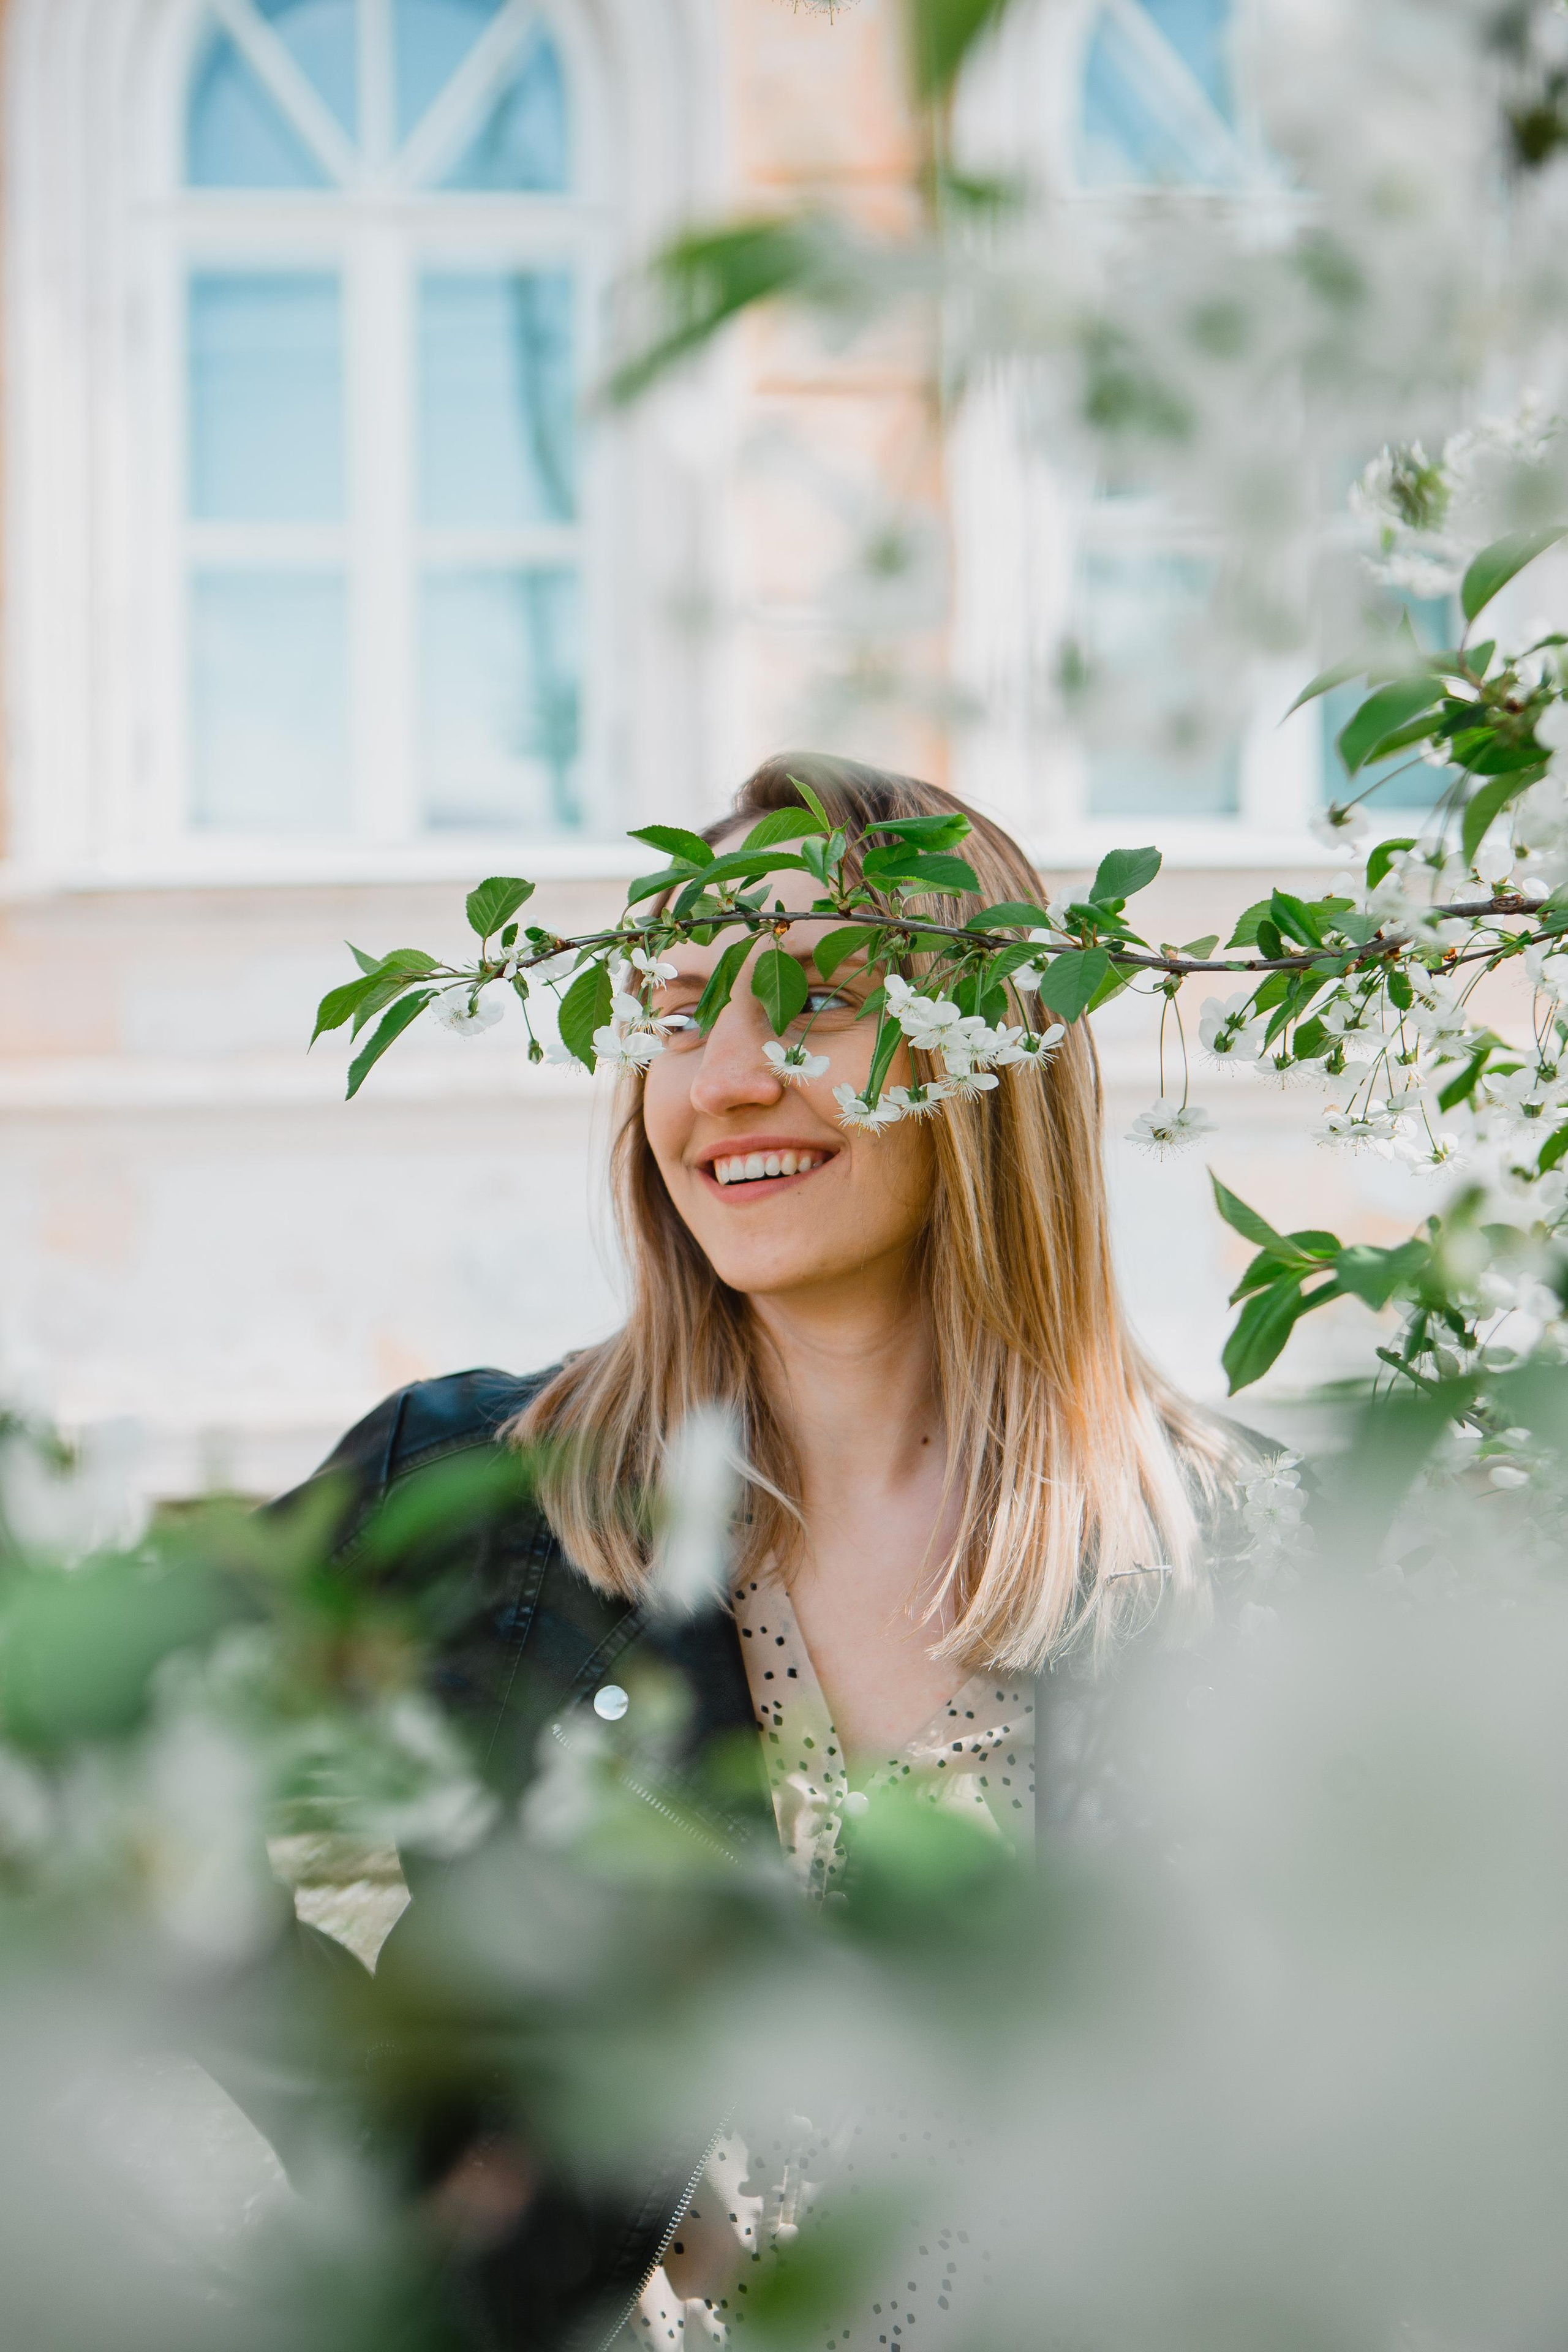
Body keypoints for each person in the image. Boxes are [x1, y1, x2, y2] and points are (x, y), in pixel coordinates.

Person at [279, 753, 1240, 2348]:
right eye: (676, 1011)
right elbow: (105, 1813)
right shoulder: (463, 1490)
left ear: (989, 1057)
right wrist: (386, 2169)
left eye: (817, 1002)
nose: (720, 1079)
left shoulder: (1232, 1555)